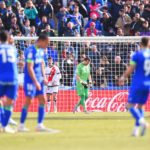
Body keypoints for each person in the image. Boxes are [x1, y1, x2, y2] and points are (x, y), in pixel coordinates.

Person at [18, 34, 50, 132]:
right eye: (46, 43)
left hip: (39, 79)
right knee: (29, 101)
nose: (47, 46)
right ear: (41, 41)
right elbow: (29, 67)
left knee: (43, 100)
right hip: (30, 80)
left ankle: (39, 125)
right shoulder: (31, 50)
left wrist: (44, 77)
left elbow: (41, 64)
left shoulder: (41, 51)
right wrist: (35, 81)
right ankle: (21, 125)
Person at [119, 37, 150, 137]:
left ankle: (143, 122)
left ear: (141, 44)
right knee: (141, 106)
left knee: (129, 105)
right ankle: (136, 130)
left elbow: (131, 69)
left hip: (138, 83)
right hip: (148, 84)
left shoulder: (137, 55)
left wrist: (123, 77)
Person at [0, 31, 18, 133]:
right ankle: (5, 125)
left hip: (1, 78)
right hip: (12, 78)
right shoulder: (13, 49)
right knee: (10, 103)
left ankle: (2, 119)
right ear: (8, 39)